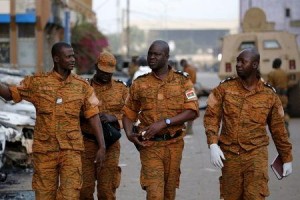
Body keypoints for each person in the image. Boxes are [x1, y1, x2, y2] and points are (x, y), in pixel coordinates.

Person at [0, 42, 106, 199]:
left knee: (70, 195)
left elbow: (93, 115)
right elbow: (10, 94)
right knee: (44, 195)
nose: (73, 59)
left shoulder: (82, 86)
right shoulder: (37, 83)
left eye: (73, 55)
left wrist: (102, 145)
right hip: (45, 151)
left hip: (71, 150)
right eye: (68, 56)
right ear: (56, 58)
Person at [203, 48, 293, 199]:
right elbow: (211, 116)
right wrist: (212, 144)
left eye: (242, 62)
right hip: (230, 156)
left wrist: (286, 157)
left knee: (255, 196)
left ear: (255, 65)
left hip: (256, 156)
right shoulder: (224, 89)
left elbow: (279, 130)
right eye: (237, 61)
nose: (238, 65)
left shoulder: (269, 95)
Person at [122, 40, 199, 200]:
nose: (152, 57)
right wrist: (129, 134)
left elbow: (192, 110)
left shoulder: (182, 81)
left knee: (169, 194)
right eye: (150, 53)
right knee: (155, 194)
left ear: (166, 57)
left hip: (174, 145)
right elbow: (129, 113)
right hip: (150, 146)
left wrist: (165, 122)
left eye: (157, 54)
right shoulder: (140, 83)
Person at [80, 51, 128, 200]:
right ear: (96, 67)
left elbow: (131, 115)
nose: (106, 75)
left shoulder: (121, 89)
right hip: (86, 144)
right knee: (84, 191)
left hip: (111, 145)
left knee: (106, 191)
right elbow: (72, 112)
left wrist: (113, 117)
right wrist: (88, 115)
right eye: (103, 71)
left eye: (109, 73)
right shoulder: (84, 87)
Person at [267, 58, 290, 136]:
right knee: (285, 111)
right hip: (285, 95)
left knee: (276, 113)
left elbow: (269, 85)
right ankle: (286, 124)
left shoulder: (272, 73)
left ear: (274, 64)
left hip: (277, 96)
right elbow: (288, 83)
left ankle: (279, 130)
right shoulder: (285, 73)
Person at [179, 59, 197, 135]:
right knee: (191, 109)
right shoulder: (190, 68)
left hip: (188, 90)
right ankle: (189, 129)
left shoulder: (188, 69)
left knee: (190, 109)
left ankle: (188, 130)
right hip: (190, 89)